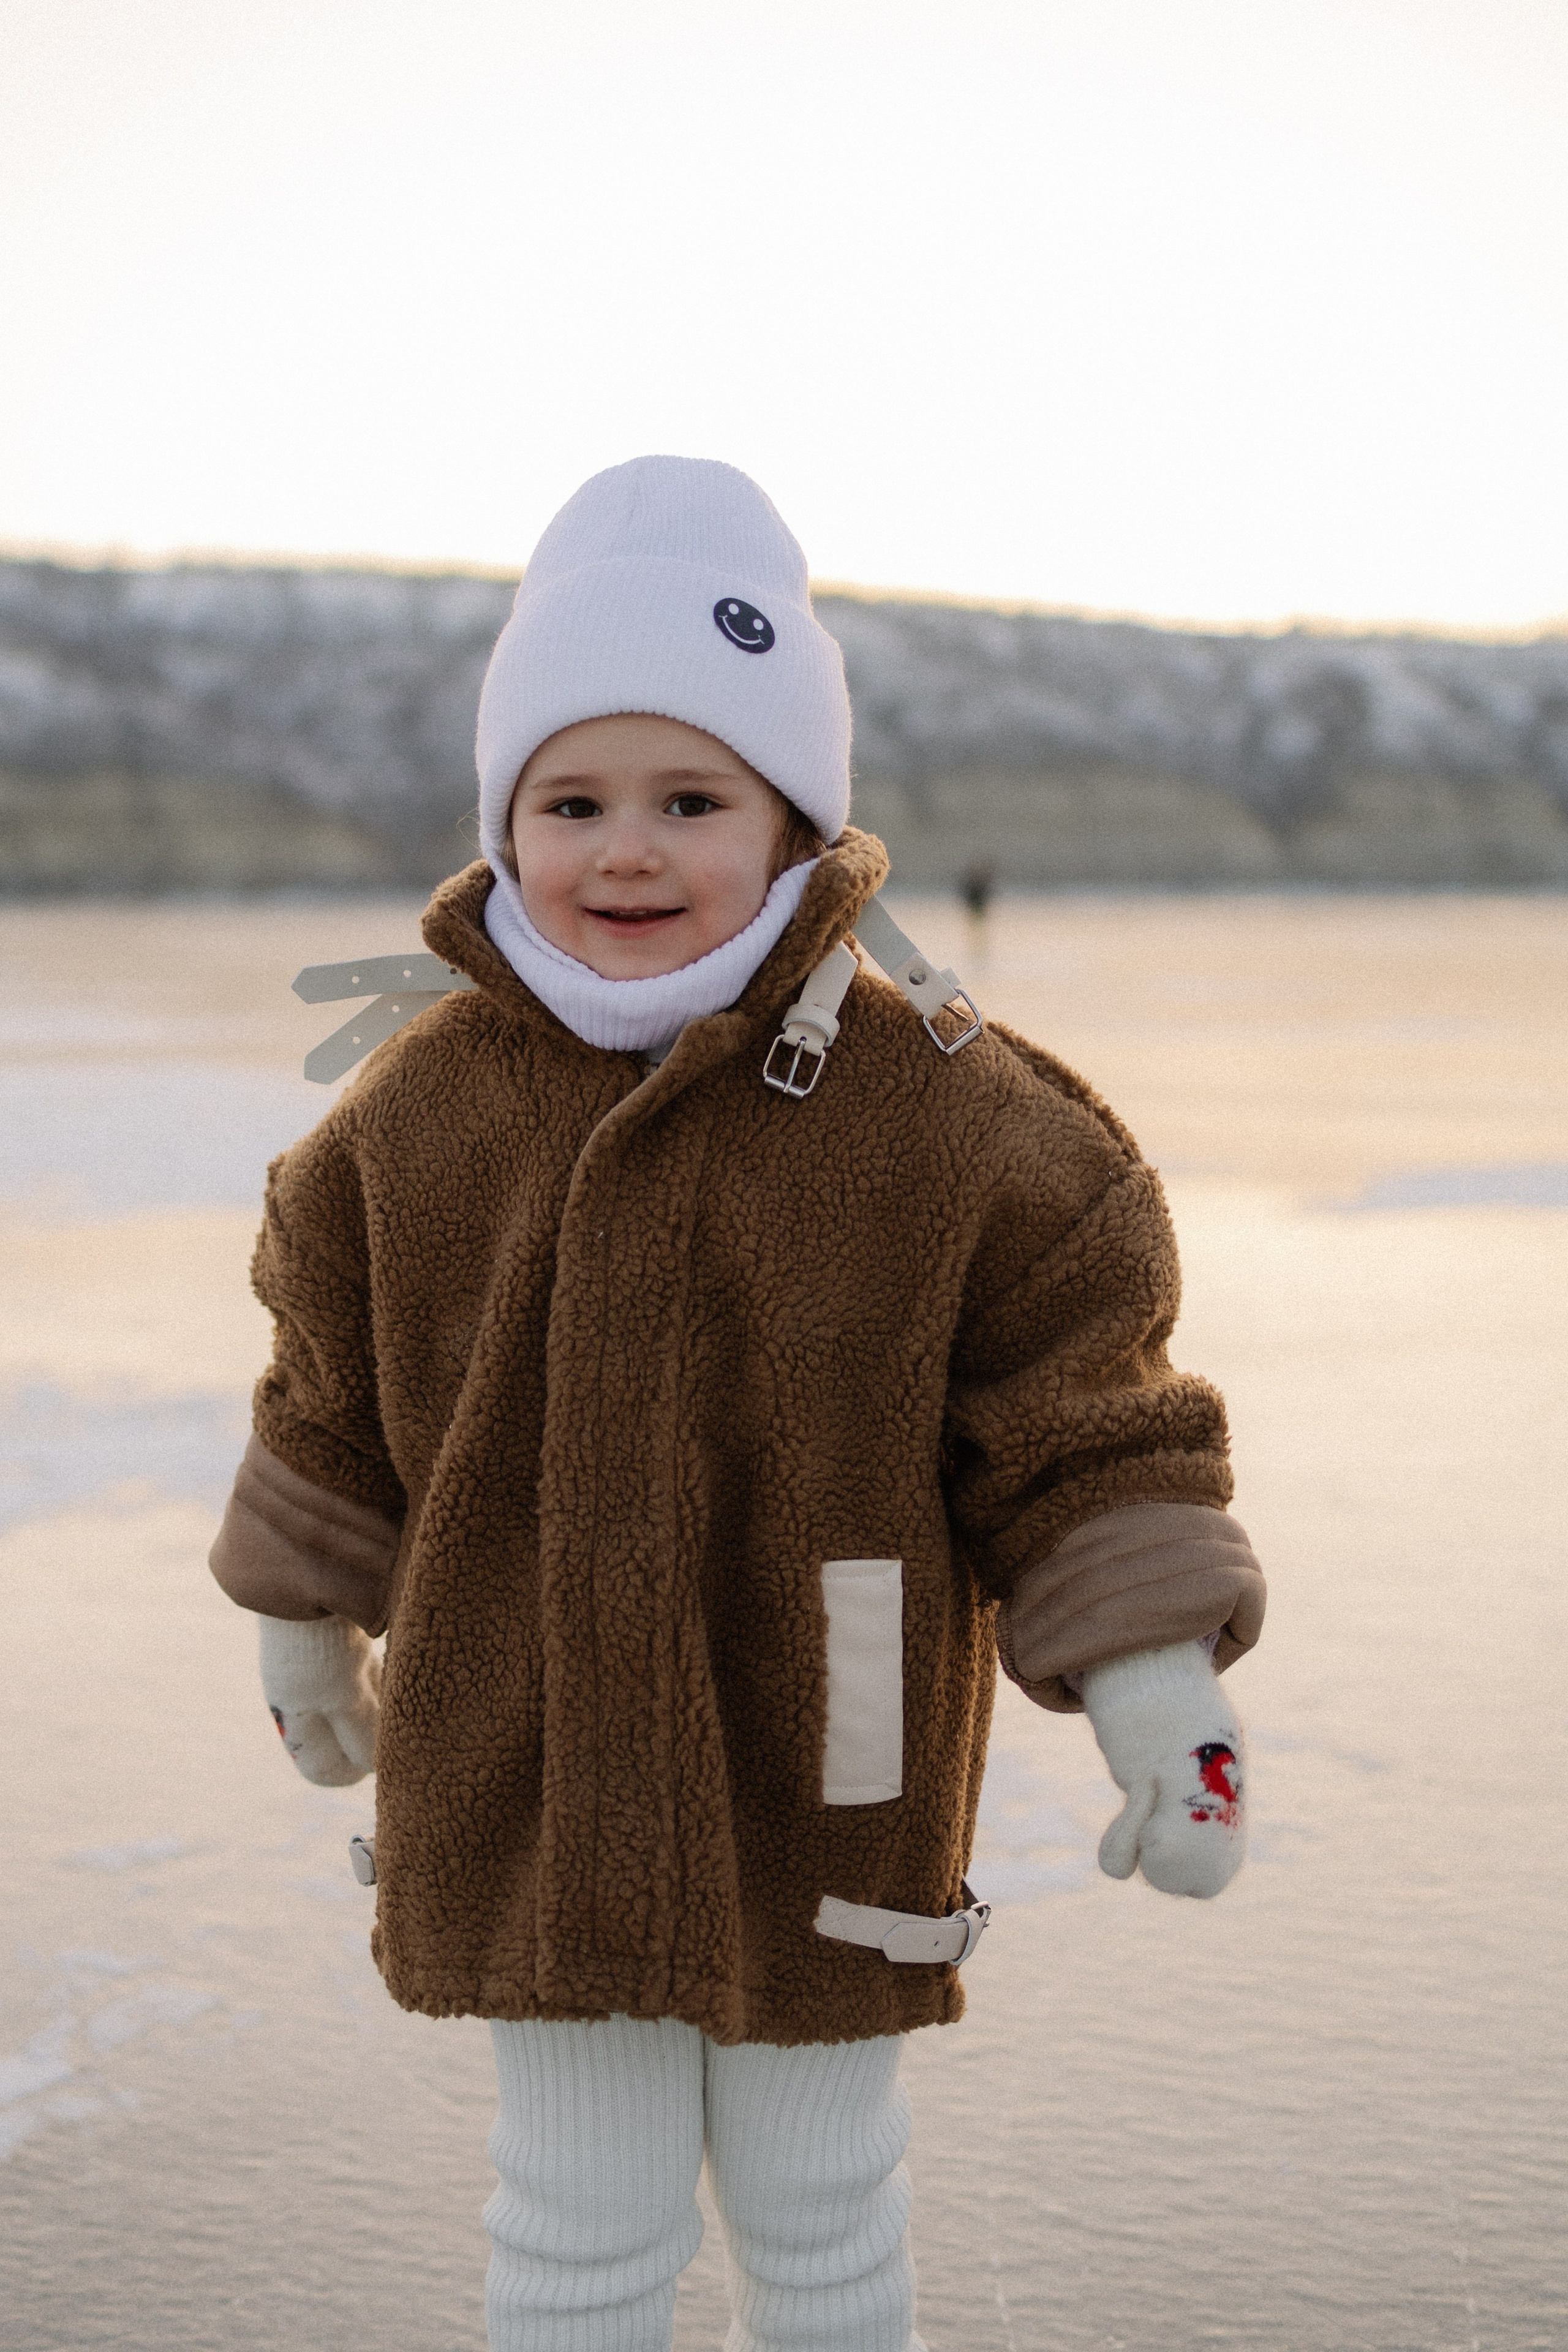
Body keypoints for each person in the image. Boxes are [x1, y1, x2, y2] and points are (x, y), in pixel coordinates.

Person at [208, 456, 1265, 2352]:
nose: (626, 851)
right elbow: (329, 1392)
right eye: (573, 802)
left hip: (824, 1768)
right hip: (529, 1764)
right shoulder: (423, 1111)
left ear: (792, 822)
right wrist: (305, 1627)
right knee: (576, 2215)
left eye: (690, 800)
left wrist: (1160, 1693)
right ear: (506, 822)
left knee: (822, 2207)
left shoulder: (942, 1111)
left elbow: (1084, 1423)